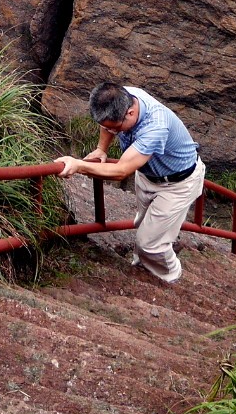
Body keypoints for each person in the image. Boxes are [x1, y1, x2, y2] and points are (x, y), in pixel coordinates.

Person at [55, 82, 204, 284]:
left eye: (115, 128)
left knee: (151, 243)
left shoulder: (155, 126)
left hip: (178, 184)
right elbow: (107, 124)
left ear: (131, 113)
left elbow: (121, 171)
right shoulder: (122, 97)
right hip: (148, 174)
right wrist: (101, 149)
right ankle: (144, 264)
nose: (111, 130)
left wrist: (79, 165)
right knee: (143, 225)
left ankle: (172, 277)